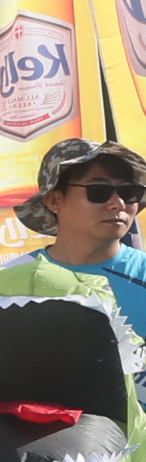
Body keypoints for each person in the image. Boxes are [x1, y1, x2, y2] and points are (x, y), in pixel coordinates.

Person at [16, 136, 146, 338]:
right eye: (99, 191)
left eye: (129, 192)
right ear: (54, 200)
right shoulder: (8, 283)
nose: (118, 204)